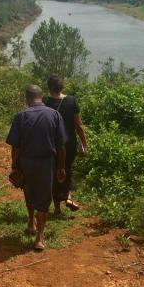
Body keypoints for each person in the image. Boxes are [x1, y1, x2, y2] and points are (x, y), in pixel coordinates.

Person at [6, 85, 66, 251]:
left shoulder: (21, 116)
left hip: (27, 162)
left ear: (27, 98)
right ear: (42, 97)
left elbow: (15, 147)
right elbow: (61, 146)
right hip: (47, 162)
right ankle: (39, 237)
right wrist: (61, 167)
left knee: (29, 191)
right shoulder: (54, 115)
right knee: (44, 197)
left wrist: (14, 166)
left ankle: (31, 220)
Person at [44, 75, 88, 215]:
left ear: (49, 88)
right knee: (67, 169)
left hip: (50, 143)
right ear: (62, 87)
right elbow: (78, 125)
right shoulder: (72, 101)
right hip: (69, 143)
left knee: (54, 171)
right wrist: (84, 144)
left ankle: (57, 208)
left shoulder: (45, 102)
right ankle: (68, 196)